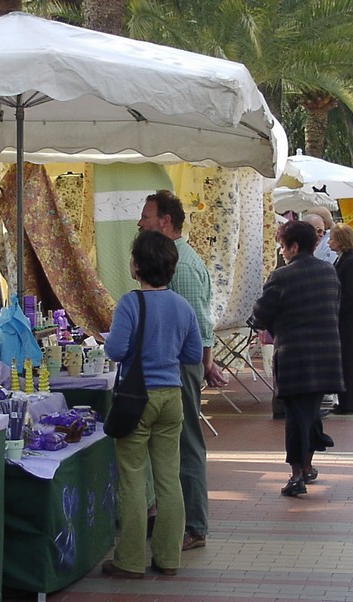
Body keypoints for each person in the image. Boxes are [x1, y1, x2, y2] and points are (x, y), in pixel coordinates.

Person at [102, 230, 203, 579]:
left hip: (136, 398)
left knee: (132, 479)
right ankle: (168, 557)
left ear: (136, 266)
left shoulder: (131, 303)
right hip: (172, 398)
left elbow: (114, 350)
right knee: (168, 479)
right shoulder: (182, 306)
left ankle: (129, 560)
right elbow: (192, 355)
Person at [138, 189, 227, 551]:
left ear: (166, 222)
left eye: (145, 216)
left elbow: (198, 325)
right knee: (170, 442)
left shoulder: (184, 267)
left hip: (180, 366)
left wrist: (204, 362)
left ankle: (194, 524)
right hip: (172, 366)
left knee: (187, 442)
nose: (140, 222)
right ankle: (172, 515)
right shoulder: (171, 259)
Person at [251, 220, 344, 496]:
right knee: (311, 413)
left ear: (293, 246)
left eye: (283, 245)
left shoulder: (282, 276)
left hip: (295, 358)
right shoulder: (329, 272)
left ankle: (296, 475)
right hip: (325, 355)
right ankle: (307, 465)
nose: (281, 251)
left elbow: (260, 314)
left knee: (296, 417)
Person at [328, 223, 353, 414]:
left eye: (332, 239)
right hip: (348, 316)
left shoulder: (349, 262)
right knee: (345, 360)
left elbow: (349, 294)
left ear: (341, 241)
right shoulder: (343, 259)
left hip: (350, 318)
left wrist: (336, 311)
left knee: (349, 360)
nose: (329, 242)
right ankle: (345, 400)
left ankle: (349, 402)